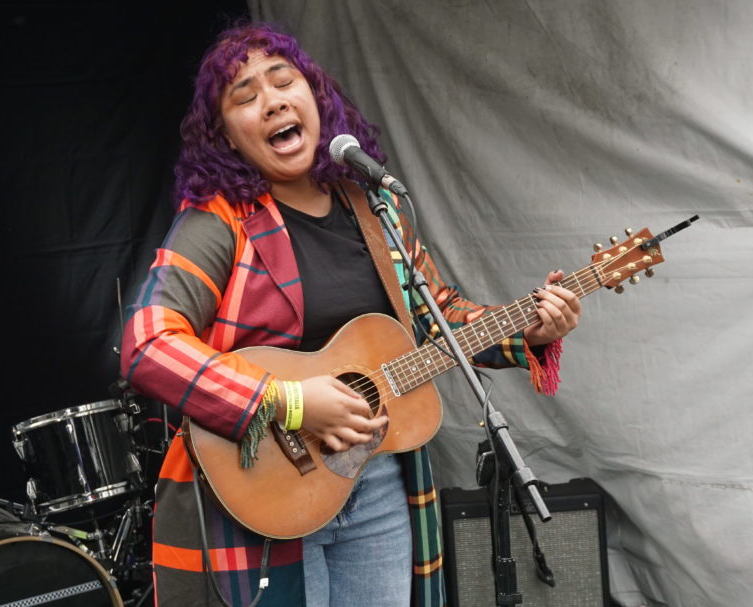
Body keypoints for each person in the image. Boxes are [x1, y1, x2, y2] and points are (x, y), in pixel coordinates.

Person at [121, 21, 581, 607]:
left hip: (379, 481)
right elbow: (147, 343)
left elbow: (437, 316)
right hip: (267, 489)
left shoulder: (375, 205)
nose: (273, 101)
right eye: (245, 96)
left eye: (283, 81)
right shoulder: (218, 222)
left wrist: (529, 330)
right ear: (227, 138)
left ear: (317, 99)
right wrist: (289, 402)